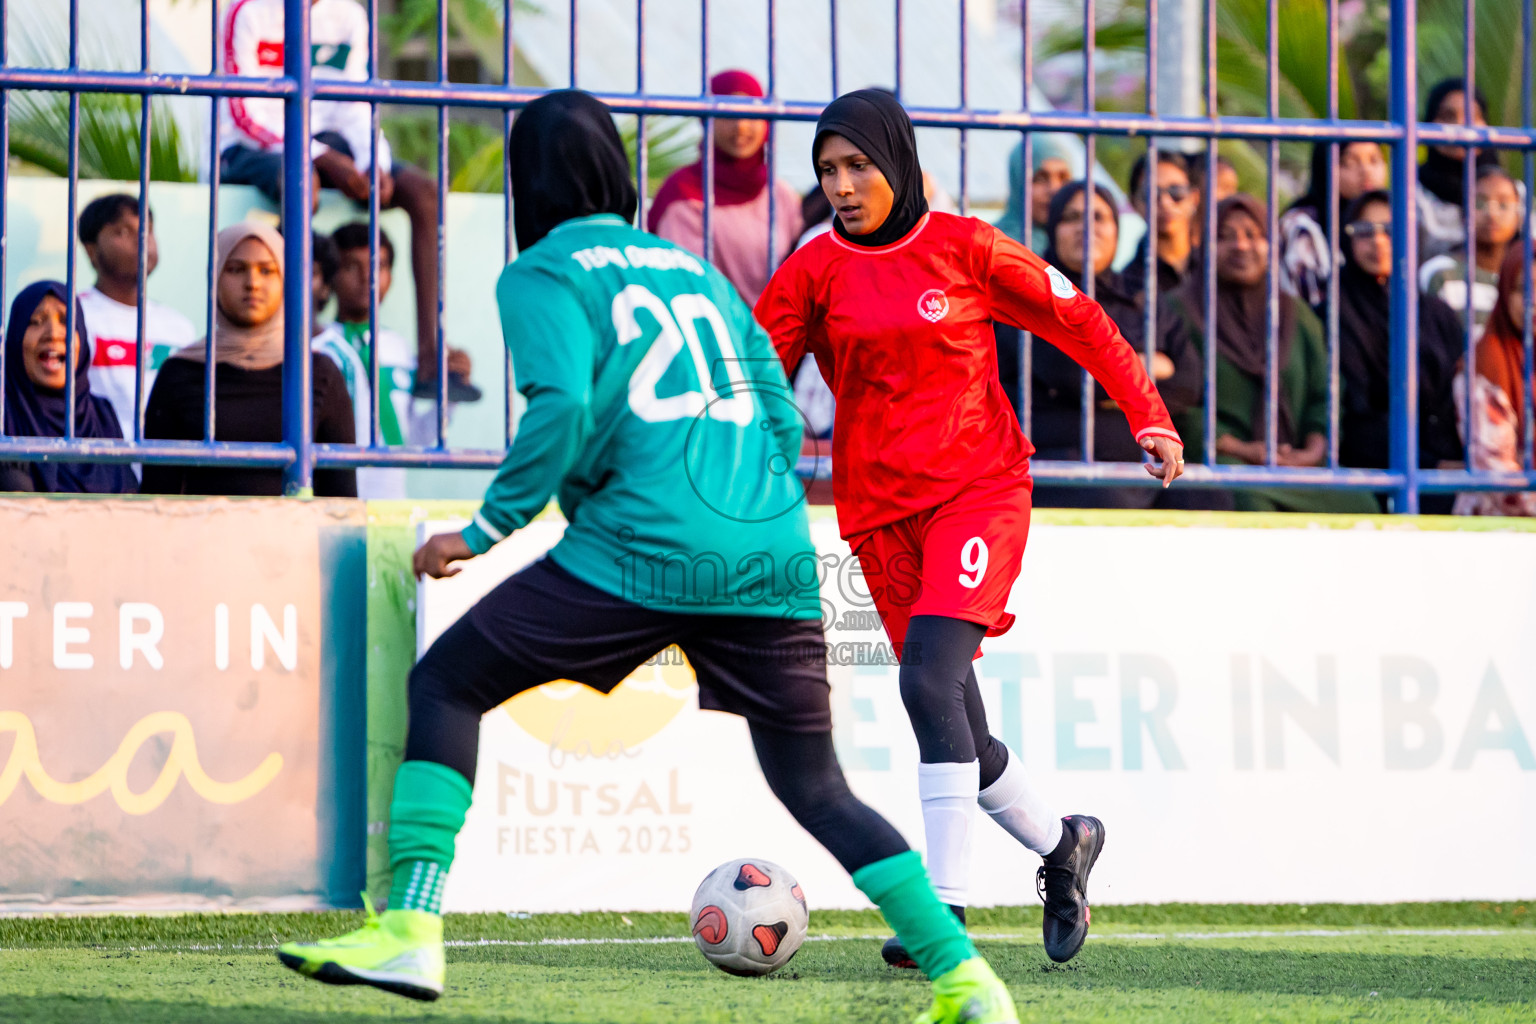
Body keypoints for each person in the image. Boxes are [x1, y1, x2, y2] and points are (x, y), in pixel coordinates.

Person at [275, 90, 1021, 1024]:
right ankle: (967, 981)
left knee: (447, 685)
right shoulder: (692, 270)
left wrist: (483, 531)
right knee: (817, 786)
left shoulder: (540, 271)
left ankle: (410, 930)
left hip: (638, 548)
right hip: (769, 554)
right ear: (619, 174)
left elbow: (558, 414)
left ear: (526, 181)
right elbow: (781, 415)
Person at [756, 89, 1184, 970]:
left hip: (977, 490)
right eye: (828, 171)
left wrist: (1149, 414)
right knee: (959, 723)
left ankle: (938, 914)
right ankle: (1066, 847)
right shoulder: (811, 269)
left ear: (899, 165)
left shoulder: (965, 246)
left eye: (858, 167)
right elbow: (759, 378)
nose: (842, 186)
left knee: (925, 683)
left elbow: (1082, 320)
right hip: (877, 511)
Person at [218, 0, 462, 399]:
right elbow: (245, 113)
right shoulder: (247, 11)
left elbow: (355, 105)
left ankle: (431, 359)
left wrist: (372, 164)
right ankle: (286, 346)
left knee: (425, 194)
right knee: (302, 182)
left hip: (333, 150)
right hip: (251, 148)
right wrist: (324, 159)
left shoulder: (348, 15)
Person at [1168, 195, 1377, 514]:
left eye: (1254, 235)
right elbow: (1173, 402)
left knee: (1361, 504)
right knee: (1249, 501)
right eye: (1225, 236)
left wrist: (1311, 451)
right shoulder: (1178, 312)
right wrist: (1242, 449)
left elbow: (1326, 394)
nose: (1241, 245)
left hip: (1292, 464)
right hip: (1215, 462)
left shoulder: (1296, 314)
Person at [141, 221, 356, 497]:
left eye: (267, 270)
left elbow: (341, 498)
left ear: (286, 280)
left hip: (294, 538)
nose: (252, 283)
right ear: (215, 277)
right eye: (236, 269)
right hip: (200, 537)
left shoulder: (317, 373)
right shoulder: (181, 372)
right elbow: (158, 493)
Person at [1029, 180, 1206, 509]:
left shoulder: (1141, 296)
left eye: (1099, 217)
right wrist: (1151, 364)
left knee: (1210, 499)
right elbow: (1073, 378)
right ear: (1053, 228)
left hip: (1145, 464)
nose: (1086, 227)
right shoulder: (1033, 296)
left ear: (1116, 228)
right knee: (1109, 498)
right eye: (1071, 217)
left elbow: (1188, 383)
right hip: (1060, 463)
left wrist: (1109, 383)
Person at [313, 222, 472, 498]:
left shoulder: (400, 349)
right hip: (332, 495)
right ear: (331, 276)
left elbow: (413, 439)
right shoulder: (317, 346)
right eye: (352, 266)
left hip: (391, 498)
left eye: (380, 266)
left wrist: (451, 393)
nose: (367, 278)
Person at [1335, 190, 1464, 512]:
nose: (1378, 241)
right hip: (1369, 470)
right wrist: (1431, 464)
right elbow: (1353, 417)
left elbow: (1457, 396)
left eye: (1391, 231)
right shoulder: (1334, 310)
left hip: (1447, 465)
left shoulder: (1437, 314)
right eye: (1364, 231)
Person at [649, 70, 804, 306]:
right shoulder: (682, 196)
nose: (741, 126)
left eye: (751, 113)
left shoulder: (780, 195)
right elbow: (686, 286)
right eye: (728, 114)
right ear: (706, 119)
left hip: (782, 333)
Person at [76, 194, 198, 440]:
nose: (141, 240)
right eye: (122, 232)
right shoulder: (74, 317)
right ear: (91, 250)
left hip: (162, 471)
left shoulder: (178, 327)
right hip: (98, 470)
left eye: (148, 230)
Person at [0, 281, 137, 494]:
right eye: (36, 321)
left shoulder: (101, 414)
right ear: (16, 338)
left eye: (66, 321)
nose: (53, 333)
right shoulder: (4, 416)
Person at [1456, 245, 1536, 516]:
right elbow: (1498, 475)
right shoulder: (1485, 365)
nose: (1533, 299)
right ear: (1503, 293)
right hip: (1496, 529)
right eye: (1522, 289)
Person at [1278, 141, 1389, 307]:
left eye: (1374, 160)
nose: (1366, 171)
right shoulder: (1302, 226)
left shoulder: (1394, 218)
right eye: (1348, 163)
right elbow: (1314, 305)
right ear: (1324, 168)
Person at [1419, 164, 1523, 338]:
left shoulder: (1527, 276)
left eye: (1504, 204)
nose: (1492, 213)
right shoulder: (1440, 274)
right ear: (1463, 213)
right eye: (1479, 203)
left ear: (1518, 215)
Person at [1418, 78, 1502, 260]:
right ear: (1429, 122)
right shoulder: (1413, 193)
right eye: (1448, 116)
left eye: (1472, 117)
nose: (1460, 126)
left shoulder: (1512, 191)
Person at [1123, 150, 1201, 297]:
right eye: (1151, 194)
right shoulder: (1126, 285)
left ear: (1194, 198)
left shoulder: (1215, 270)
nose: (1165, 203)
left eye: (1176, 191)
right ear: (1134, 203)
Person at [998, 133, 1078, 252]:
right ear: (1017, 182)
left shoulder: (1079, 249)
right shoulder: (993, 247)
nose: (1054, 189)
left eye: (1063, 178)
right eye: (1040, 178)